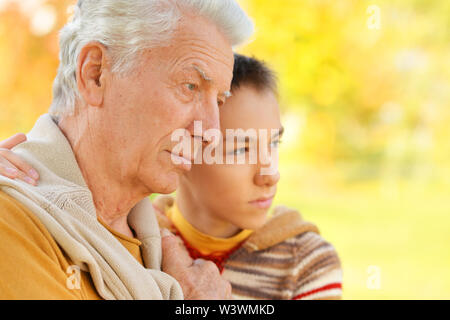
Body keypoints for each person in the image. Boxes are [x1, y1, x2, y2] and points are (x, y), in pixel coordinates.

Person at [2, 54, 343, 300]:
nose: (271, 174)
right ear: (184, 152)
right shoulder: (128, 235)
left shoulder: (305, 262)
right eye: (240, 150)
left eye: (274, 143)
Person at [0, 0, 253, 300]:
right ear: (95, 74)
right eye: (190, 86)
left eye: (219, 101)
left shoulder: (169, 240)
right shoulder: (13, 224)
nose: (211, 132)